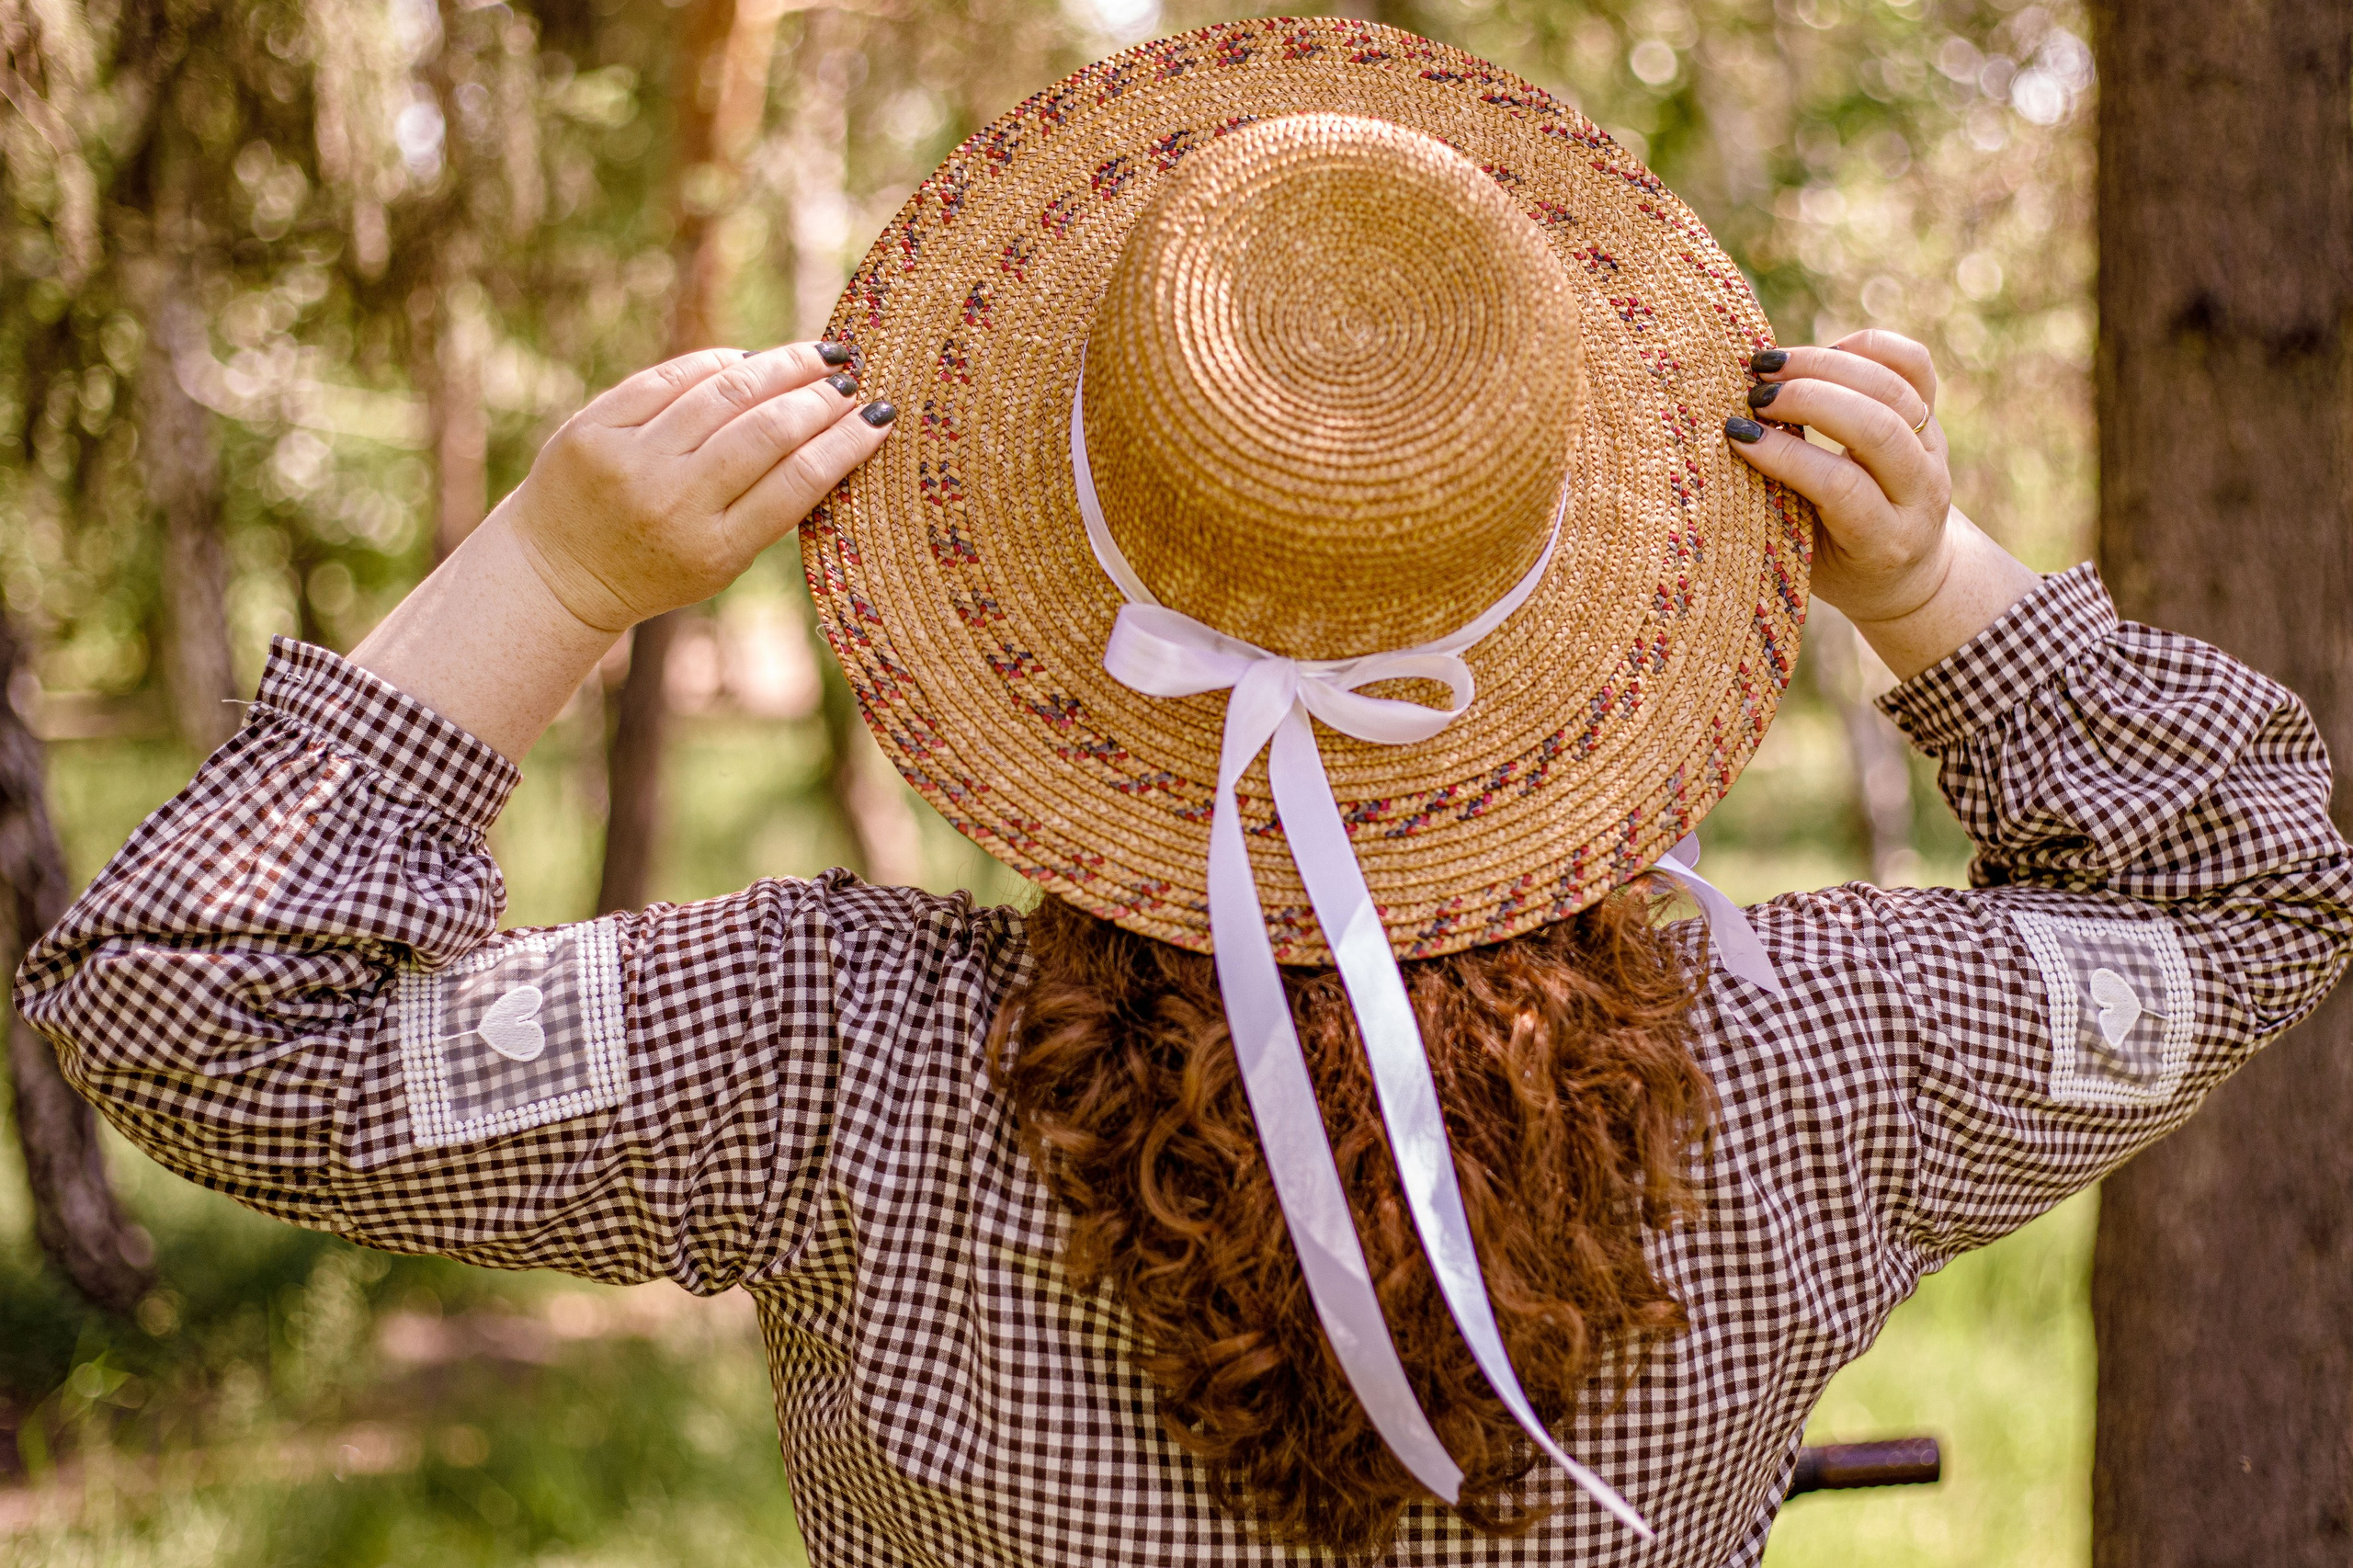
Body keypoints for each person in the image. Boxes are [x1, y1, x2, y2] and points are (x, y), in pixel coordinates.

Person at [18, 21, 2350, 1568]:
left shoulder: (834, 1057)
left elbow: (196, 1014)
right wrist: (1939, 586)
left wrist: (545, 574)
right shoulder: (1818, 1063)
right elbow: (2255, 892)